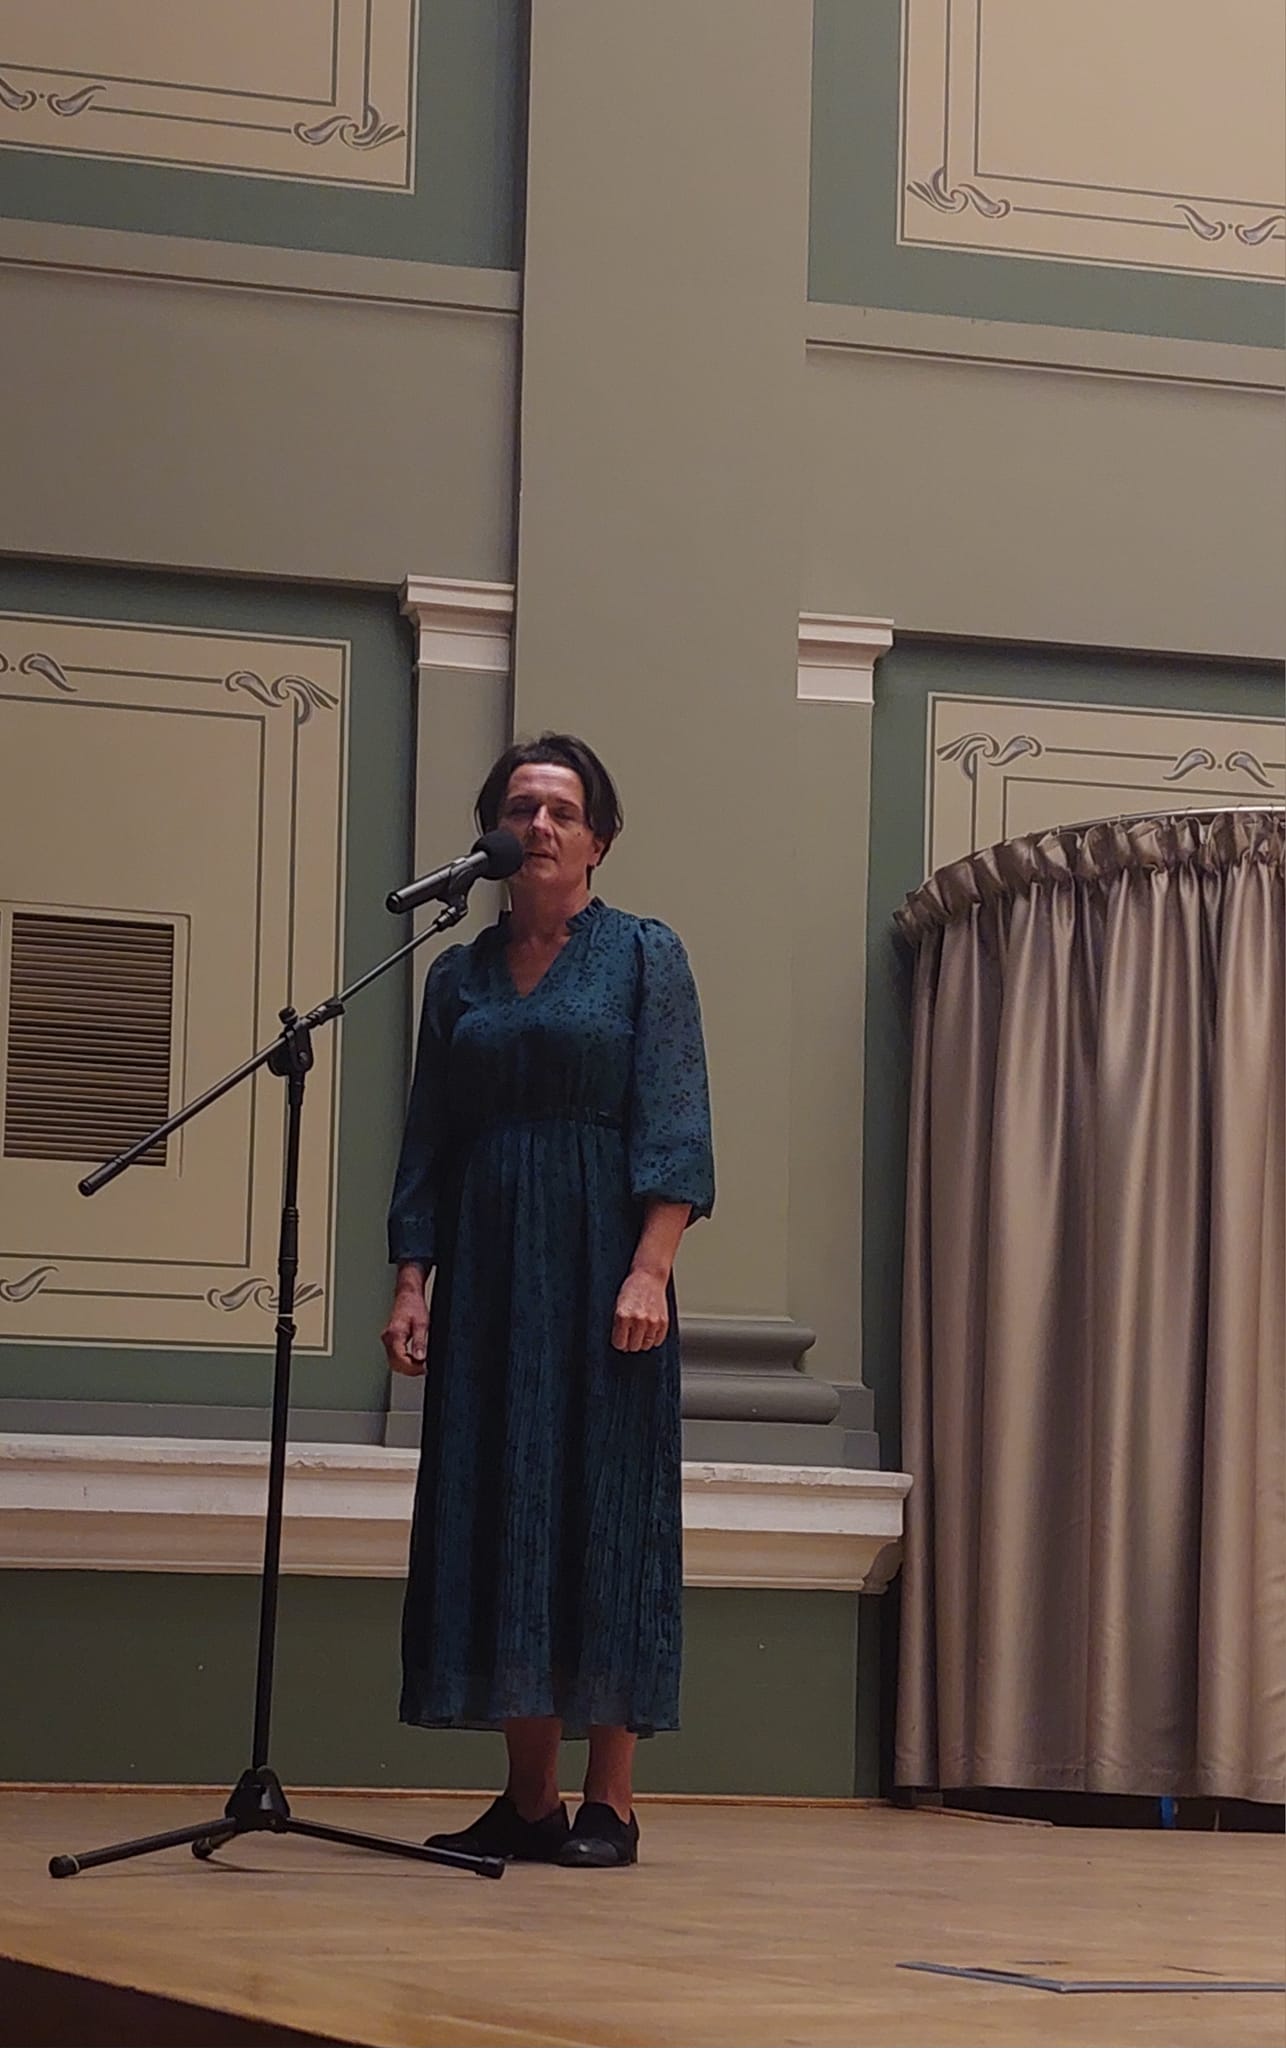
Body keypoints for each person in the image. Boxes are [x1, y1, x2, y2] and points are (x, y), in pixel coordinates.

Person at [382, 733, 714, 1869]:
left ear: (597, 840)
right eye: (521, 806)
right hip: (487, 1266)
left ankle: (610, 1800)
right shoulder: (456, 976)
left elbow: (676, 1121)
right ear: (491, 830)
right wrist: (413, 1279)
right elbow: (427, 1141)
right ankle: (527, 1799)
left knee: (605, 1504)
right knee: (503, 1497)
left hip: (601, 1261)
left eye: (562, 811)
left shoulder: (643, 955)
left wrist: (650, 1268)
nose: (539, 825)